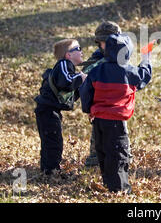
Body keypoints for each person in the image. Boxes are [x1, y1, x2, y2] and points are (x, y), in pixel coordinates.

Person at [80, 32, 152, 193]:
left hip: (98, 119)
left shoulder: (97, 70)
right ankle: (119, 189)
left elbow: (86, 92)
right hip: (116, 122)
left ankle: (108, 182)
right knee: (118, 154)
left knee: (103, 151)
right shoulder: (129, 72)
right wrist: (146, 58)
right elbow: (145, 75)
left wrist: (88, 109)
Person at [34, 39, 87, 175]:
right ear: (68, 55)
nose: (81, 51)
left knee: (51, 141)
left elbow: (68, 95)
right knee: (53, 142)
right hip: (47, 110)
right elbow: (66, 82)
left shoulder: (67, 67)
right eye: (78, 48)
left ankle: (49, 170)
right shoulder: (64, 64)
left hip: (49, 110)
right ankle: (51, 171)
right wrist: (80, 78)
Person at [81, 21, 122, 167]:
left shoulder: (122, 57)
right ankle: (95, 159)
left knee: (120, 135)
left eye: (107, 42)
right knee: (98, 135)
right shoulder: (98, 56)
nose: (104, 45)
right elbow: (85, 77)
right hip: (99, 106)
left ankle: (122, 157)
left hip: (118, 107)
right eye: (102, 42)